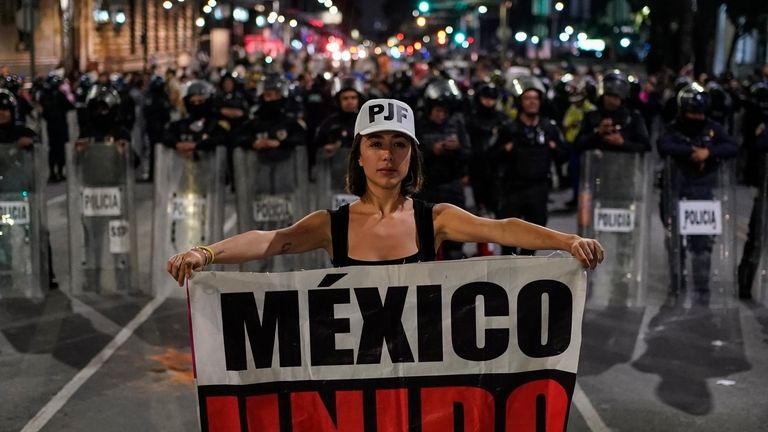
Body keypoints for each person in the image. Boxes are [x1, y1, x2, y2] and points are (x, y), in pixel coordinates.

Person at [167, 98, 605, 285]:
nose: (388, 156)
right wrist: (205, 253)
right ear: (358, 155)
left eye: (400, 145)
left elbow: (504, 229)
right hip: (354, 375)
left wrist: (569, 241)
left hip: (420, 371)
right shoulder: (330, 225)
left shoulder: (433, 219)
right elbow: (270, 241)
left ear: (413, 156)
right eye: (376, 144)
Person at [658, 83, 738, 304]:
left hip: (702, 195)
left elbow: (732, 146)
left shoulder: (713, 128)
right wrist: (694, 152)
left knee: (702, 246)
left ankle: (702, 289)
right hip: (675, 192)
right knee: (675, 243)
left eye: (699, 113)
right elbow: (664, 145)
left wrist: (709, 152)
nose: (696, 117)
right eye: (692, 113)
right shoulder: (674, 128)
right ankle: (677, 286)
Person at [491, 76, 566, 256]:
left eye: (535, 99)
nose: (532, 103)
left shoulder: (549, 128)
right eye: (527, 98)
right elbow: (491, 157)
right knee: (508, 241)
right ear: (520, 102)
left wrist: (555, 148)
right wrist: (504, 150)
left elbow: (563, 157)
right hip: (513, 189)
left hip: (539, 188)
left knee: (533, 241)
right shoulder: (508, 128)